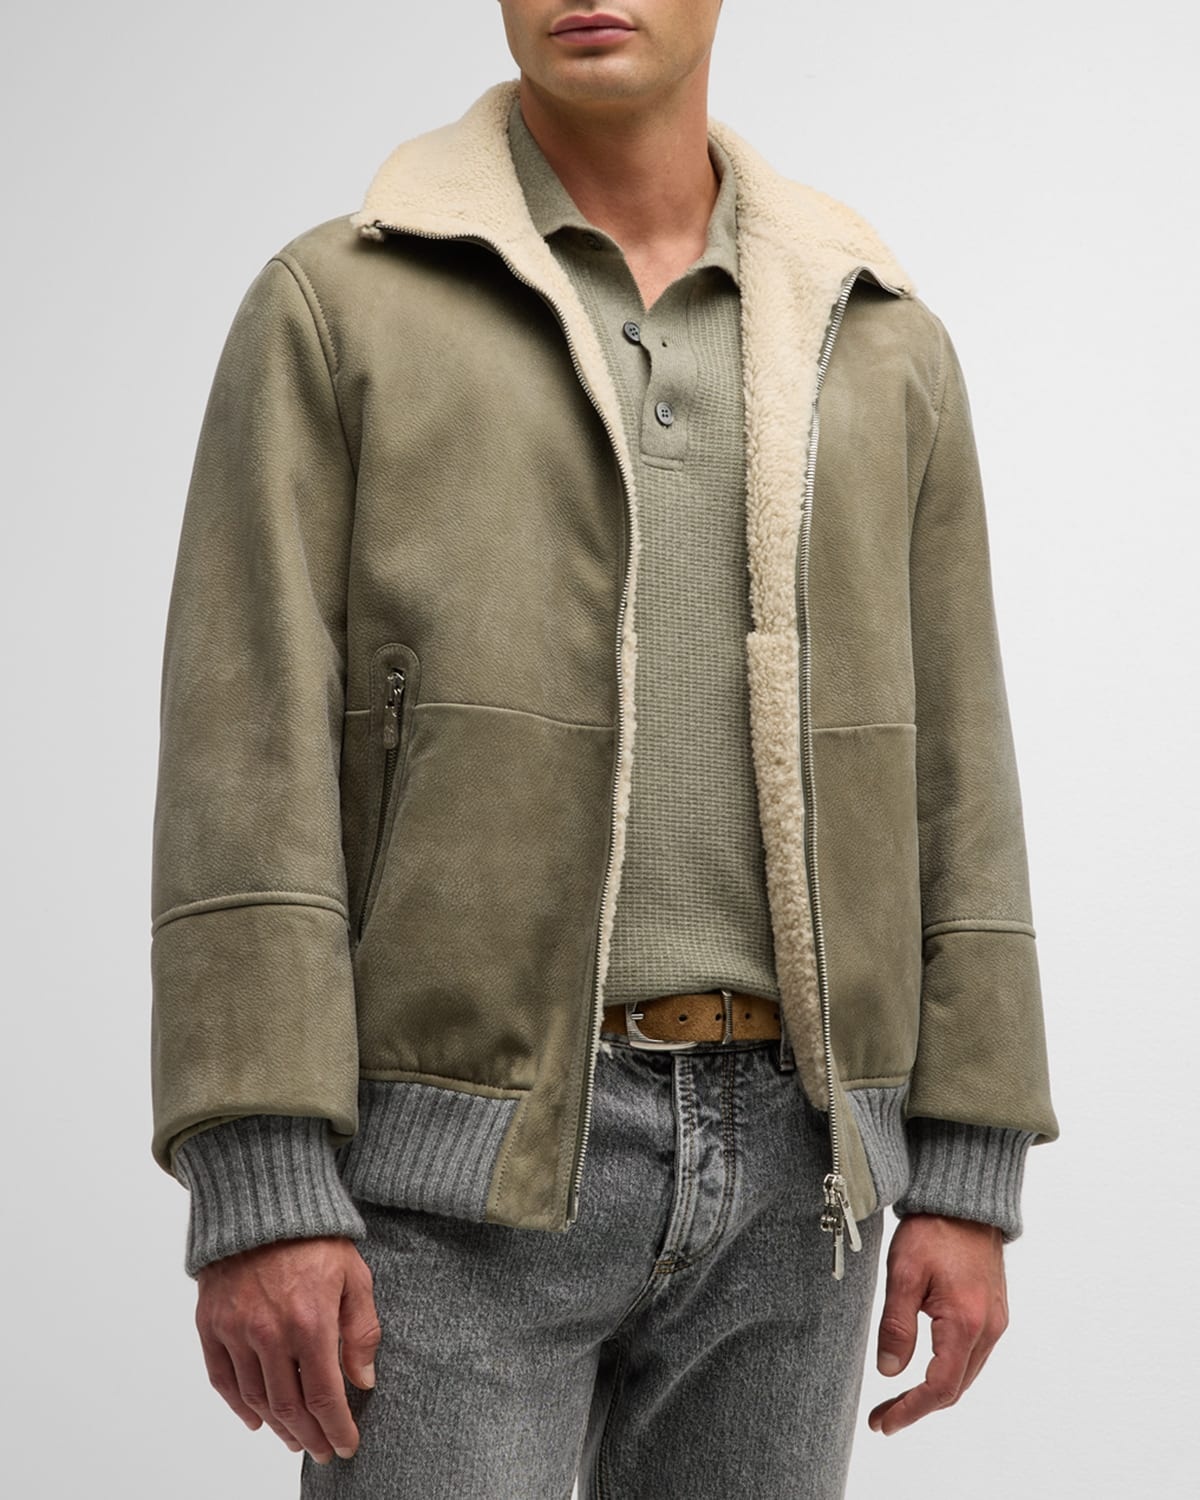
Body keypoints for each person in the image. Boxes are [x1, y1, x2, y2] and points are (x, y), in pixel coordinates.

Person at [149, 3, 1060, 1494]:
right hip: (451, 1174)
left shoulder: (878, 337)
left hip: (802, 1191)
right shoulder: (339, 305)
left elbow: (957, 763)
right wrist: (261, 1175)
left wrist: (969, 1164)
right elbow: (240, 761)